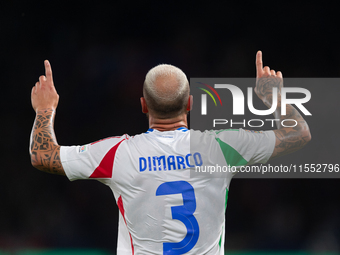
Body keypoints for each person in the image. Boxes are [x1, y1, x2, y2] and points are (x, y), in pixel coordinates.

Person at [30, 51, 311, 255]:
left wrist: (45, 109)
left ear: (143, 105)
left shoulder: (117, 153)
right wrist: (274, 97)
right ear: (189, 104)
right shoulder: (224, 147)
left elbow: (43, 155)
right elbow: (298, 134)